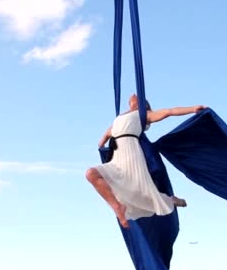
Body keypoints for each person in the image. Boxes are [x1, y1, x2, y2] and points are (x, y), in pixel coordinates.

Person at [86, 94, 207, 228]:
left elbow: (169, 111)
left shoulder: (144, 115)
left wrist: (193, 108)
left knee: (142, 190)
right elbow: (106, 135)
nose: (134, 94)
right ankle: (117, 206)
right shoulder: (120, 117)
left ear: (143, 104)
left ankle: (170, 200)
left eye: (138, 95)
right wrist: (102, 144)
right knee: (91, 174)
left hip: (131, 153)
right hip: (116, 156)